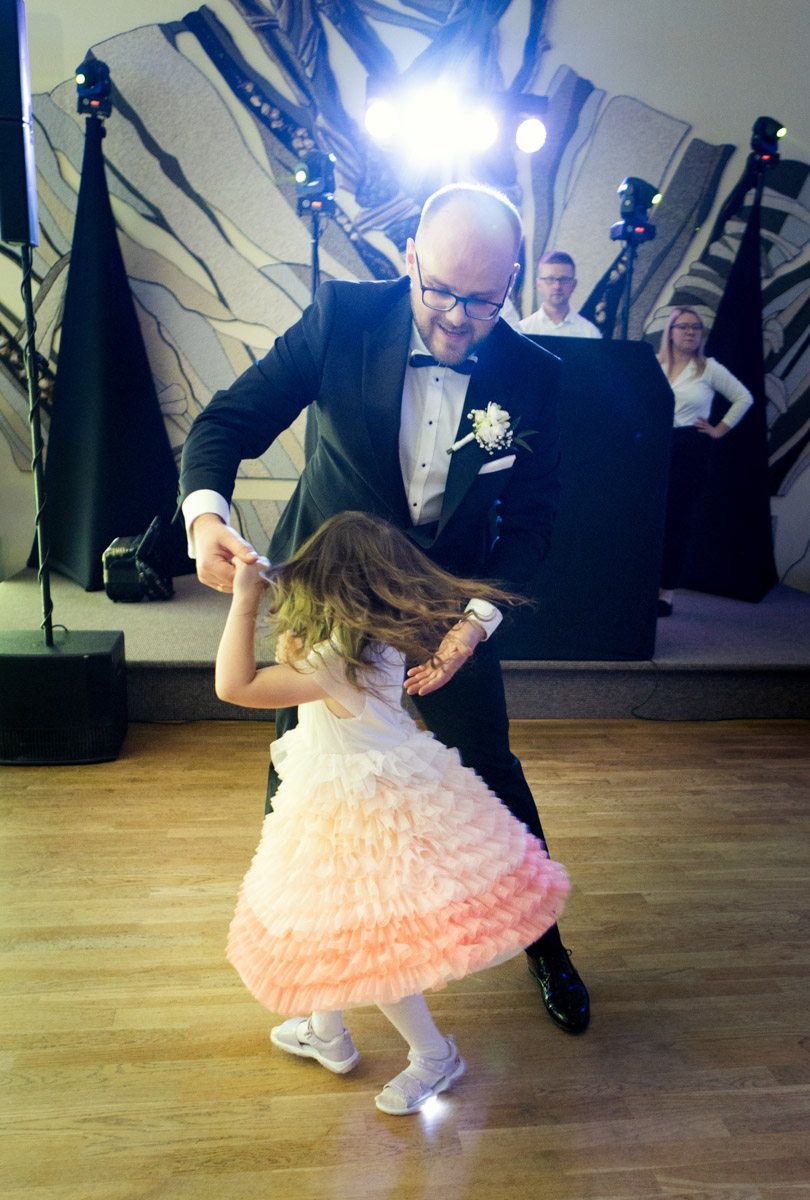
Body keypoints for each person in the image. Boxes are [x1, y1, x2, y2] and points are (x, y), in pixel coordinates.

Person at [180, 181, 590, 1034]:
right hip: (333, 585)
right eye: (439, 290)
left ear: (511, 283)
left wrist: (475, 621)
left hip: (448, 598)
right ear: (408, 259)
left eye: (482, 301)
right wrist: (206, 518)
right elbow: (227, 421)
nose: (456, 318)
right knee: (302, 767)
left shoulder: (535, 375)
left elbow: (537, 519)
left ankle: (543, 941)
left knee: (488, 761)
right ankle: (301, 942)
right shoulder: (342, 316)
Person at [217, 512, 570, 1115]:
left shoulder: (335, 661)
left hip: (358, 811)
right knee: (332, 919)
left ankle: (435, 1056)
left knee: (374, 946)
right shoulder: (369, 642)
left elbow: (234, 685)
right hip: (369, 790)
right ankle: (326, 1032)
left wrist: (245, 601)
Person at [656, 306, 754, 616]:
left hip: (689, 449)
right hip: (655, 449)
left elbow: (744, 398)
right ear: (670, 331)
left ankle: (666, 593)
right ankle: (641, 585)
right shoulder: (655, 365)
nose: (690, 332)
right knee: (649, 520)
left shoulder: (708, 368)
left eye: (696, 327)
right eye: (684, 326)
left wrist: (718, 430)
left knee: (677, 522)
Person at [519, 251, 602, 339]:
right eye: (550, 279)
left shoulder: (590, 334)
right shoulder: (523, 330)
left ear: (574, 285)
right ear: (539, 284)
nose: (557, 286)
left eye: (564, 279)